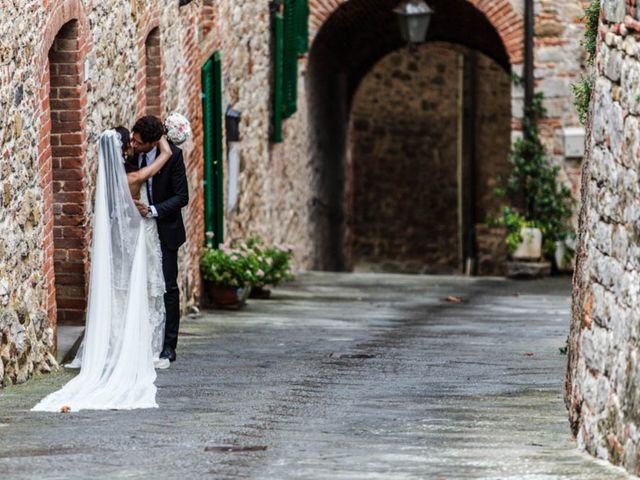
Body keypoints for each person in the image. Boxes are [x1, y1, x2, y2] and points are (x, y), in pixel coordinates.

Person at [32, 128, 173, 412]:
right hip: (132, 242)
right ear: (123, 149)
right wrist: (162, 137)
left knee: (114, 293)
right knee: (129, 294)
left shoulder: (108, 180)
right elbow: (166, 156)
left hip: (113, 244)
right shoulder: (133, 178)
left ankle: (110, 345)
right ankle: (127, 346)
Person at [130, 115, 189, 364]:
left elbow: (181, 197)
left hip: (165, 229)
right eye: (133, 139)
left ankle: (168, 345)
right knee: (140, 284)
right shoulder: (130, 154)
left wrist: (153, 211)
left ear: (153, 143)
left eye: (139, 143)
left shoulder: (173, 156)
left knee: (167, 286)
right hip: (137, 231)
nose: (134, 145)